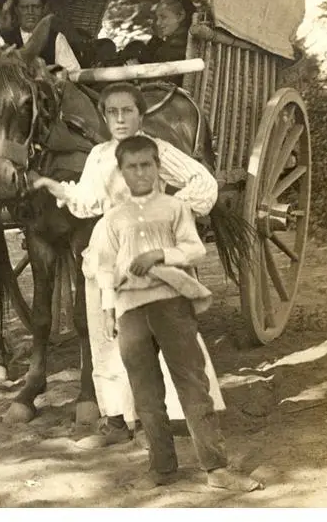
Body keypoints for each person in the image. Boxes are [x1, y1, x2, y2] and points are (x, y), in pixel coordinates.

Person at [31, 82, 221, 448]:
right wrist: (56, 188)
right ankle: (117, 421)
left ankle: (177, 422)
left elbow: (204, 183)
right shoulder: (99, 156)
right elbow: (86, 202)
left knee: (165, 335)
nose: (119, 118)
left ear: (141, 114)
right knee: (109, 338)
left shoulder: (157, 151)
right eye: (112, 112)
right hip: (109, 254)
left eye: (127, 111)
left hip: (150, 256)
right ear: (104, 117)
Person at [88, 136, 261, 492]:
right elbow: (104, 267)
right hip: (130, 311)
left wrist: (159, 256)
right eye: (132, 167)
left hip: (171, 306)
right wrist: (107, 309)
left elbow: (194, 249)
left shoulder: (174, 209)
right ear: (121, 173)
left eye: (147, 165)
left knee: (192, 385)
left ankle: (217, 468)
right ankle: (162, 468)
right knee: (146, 393)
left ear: (158, 168)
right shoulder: (111, 220)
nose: (140, 173)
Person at [0, 0, 81, 73]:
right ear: (16, 10)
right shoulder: (2, 40)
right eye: (24, 8)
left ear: (44, 9)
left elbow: (74, 73)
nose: (30, 12)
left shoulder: (56, 39)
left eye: (36, 7)